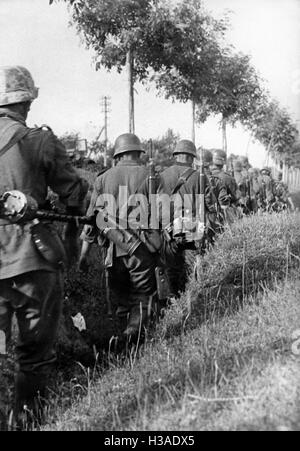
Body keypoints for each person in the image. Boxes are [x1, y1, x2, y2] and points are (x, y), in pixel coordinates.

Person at [0, 66, 87, 429]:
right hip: (33, 258)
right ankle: (28, 421)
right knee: (34, 355)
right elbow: (75, 194)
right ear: (27, 102)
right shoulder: (39, 140)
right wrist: (69, 242)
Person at [79, 133, 158, 340]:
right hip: (144, 247)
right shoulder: (151, 176)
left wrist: (83, 256)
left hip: (114, 249)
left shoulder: (103, 179)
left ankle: (122, 342)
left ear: (118, 155)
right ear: (138, 152)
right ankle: (134, 339)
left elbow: (92, 222)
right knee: (142, 296)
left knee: (121, 300)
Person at [158, 140, 218, 296]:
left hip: (168, 229)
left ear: (176, 155)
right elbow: (211, 206)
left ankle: (172, 299)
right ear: (192, 157)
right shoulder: (200, 177)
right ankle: (189, 299)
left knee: (171, 268)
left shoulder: (162, 176)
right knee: (191, 268)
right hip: (191, 228)